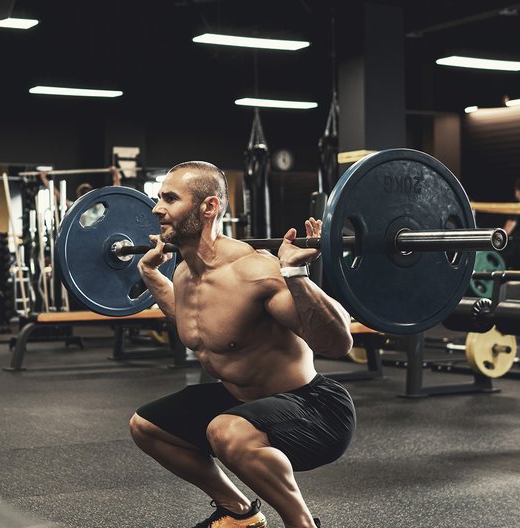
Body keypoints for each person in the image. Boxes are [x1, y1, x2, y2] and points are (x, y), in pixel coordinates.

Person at [130, 161, 356, 528]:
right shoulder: (185, 272)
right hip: (243, 402)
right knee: (147, 427)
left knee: (226, 430)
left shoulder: (253, 272)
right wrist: (150, 274)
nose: (157, 209)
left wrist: (296, 274)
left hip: (315, 409)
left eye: (170, 199)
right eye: (159, 198)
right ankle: (239, 513)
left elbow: (337, 343)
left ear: (208, 207)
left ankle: (302, 524)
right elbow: (197, 327)